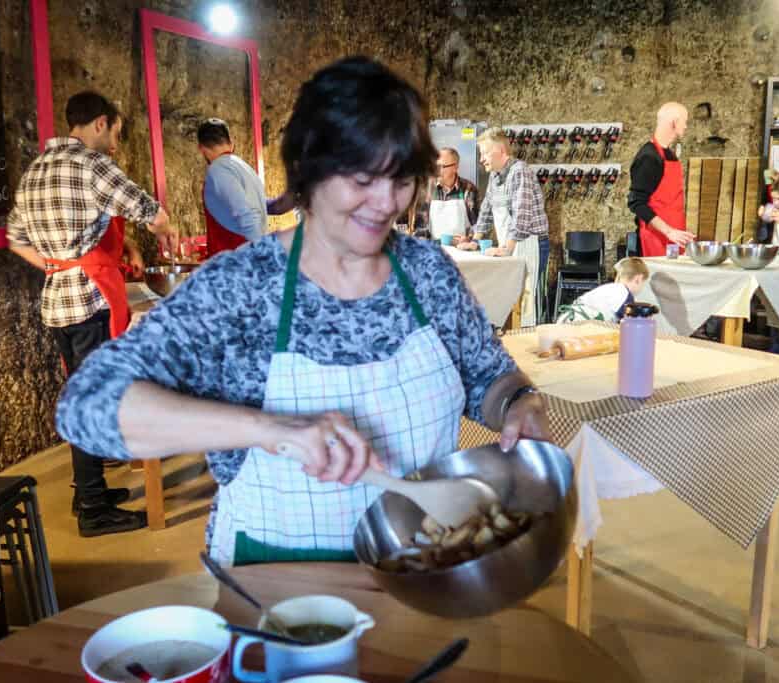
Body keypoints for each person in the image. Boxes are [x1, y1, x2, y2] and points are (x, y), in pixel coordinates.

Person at [55, 56, 550, 566]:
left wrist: (518, 405)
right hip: (277, 587)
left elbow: (489, 377)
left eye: (401, 178)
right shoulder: (244, 287)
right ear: (307, 173)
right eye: (362, 178)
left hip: (422, 570)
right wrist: (269, 429)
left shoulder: (428, 272)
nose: (385, 202)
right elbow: (86, 405)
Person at [7, 90, 176, 537]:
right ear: (99, 124)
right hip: (89, 301)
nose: (116, 144)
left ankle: (89, 490)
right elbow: (151, 213)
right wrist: (165, 230)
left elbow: (15, 240)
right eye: (117, 132)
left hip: (58, 299)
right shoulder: (91, 165)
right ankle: (95, 511)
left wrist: (60, 266)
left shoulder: (36, 170)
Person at [471, 128, 550, 326]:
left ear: (500, 151)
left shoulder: (519, 171)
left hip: (529, 244)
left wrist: (507, 247)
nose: (482, 159)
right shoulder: (495, 176)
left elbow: (522, 214)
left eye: (485, 153)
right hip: (512, 245)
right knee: (513, 301)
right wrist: (475, 241)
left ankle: (530, 346)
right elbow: (487, 210)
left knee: (528, 301)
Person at [628, 102, 695, 257]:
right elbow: (636, 203)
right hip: (655, 239)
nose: (686, 126)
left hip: (674, 237)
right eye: (684, 121)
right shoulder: (649, 157)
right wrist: (668, 231)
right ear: (674, 122)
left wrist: (676, 231)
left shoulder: (669, 155)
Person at [197, 118, 267, 257]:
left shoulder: (218, 170)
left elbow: (246, 214)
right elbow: (257, 204)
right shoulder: (243, 166)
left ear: (201, 148)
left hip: (234, 262)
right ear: (231, 143)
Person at [413, 147, 479, 244]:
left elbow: (477, 225)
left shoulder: (468, 189)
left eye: (442, 166)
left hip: (462, 251)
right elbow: (420, 227)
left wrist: (469, 239)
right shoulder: (426, 189)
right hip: (433, 249)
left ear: (455, 167)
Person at [556, 257, 649, 323]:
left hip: (567, 319)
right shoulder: (624, 294)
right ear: (638, 279)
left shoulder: (612, 288)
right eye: (643, 283)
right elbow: (631, 325)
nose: (642, 288)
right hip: (578, 325)